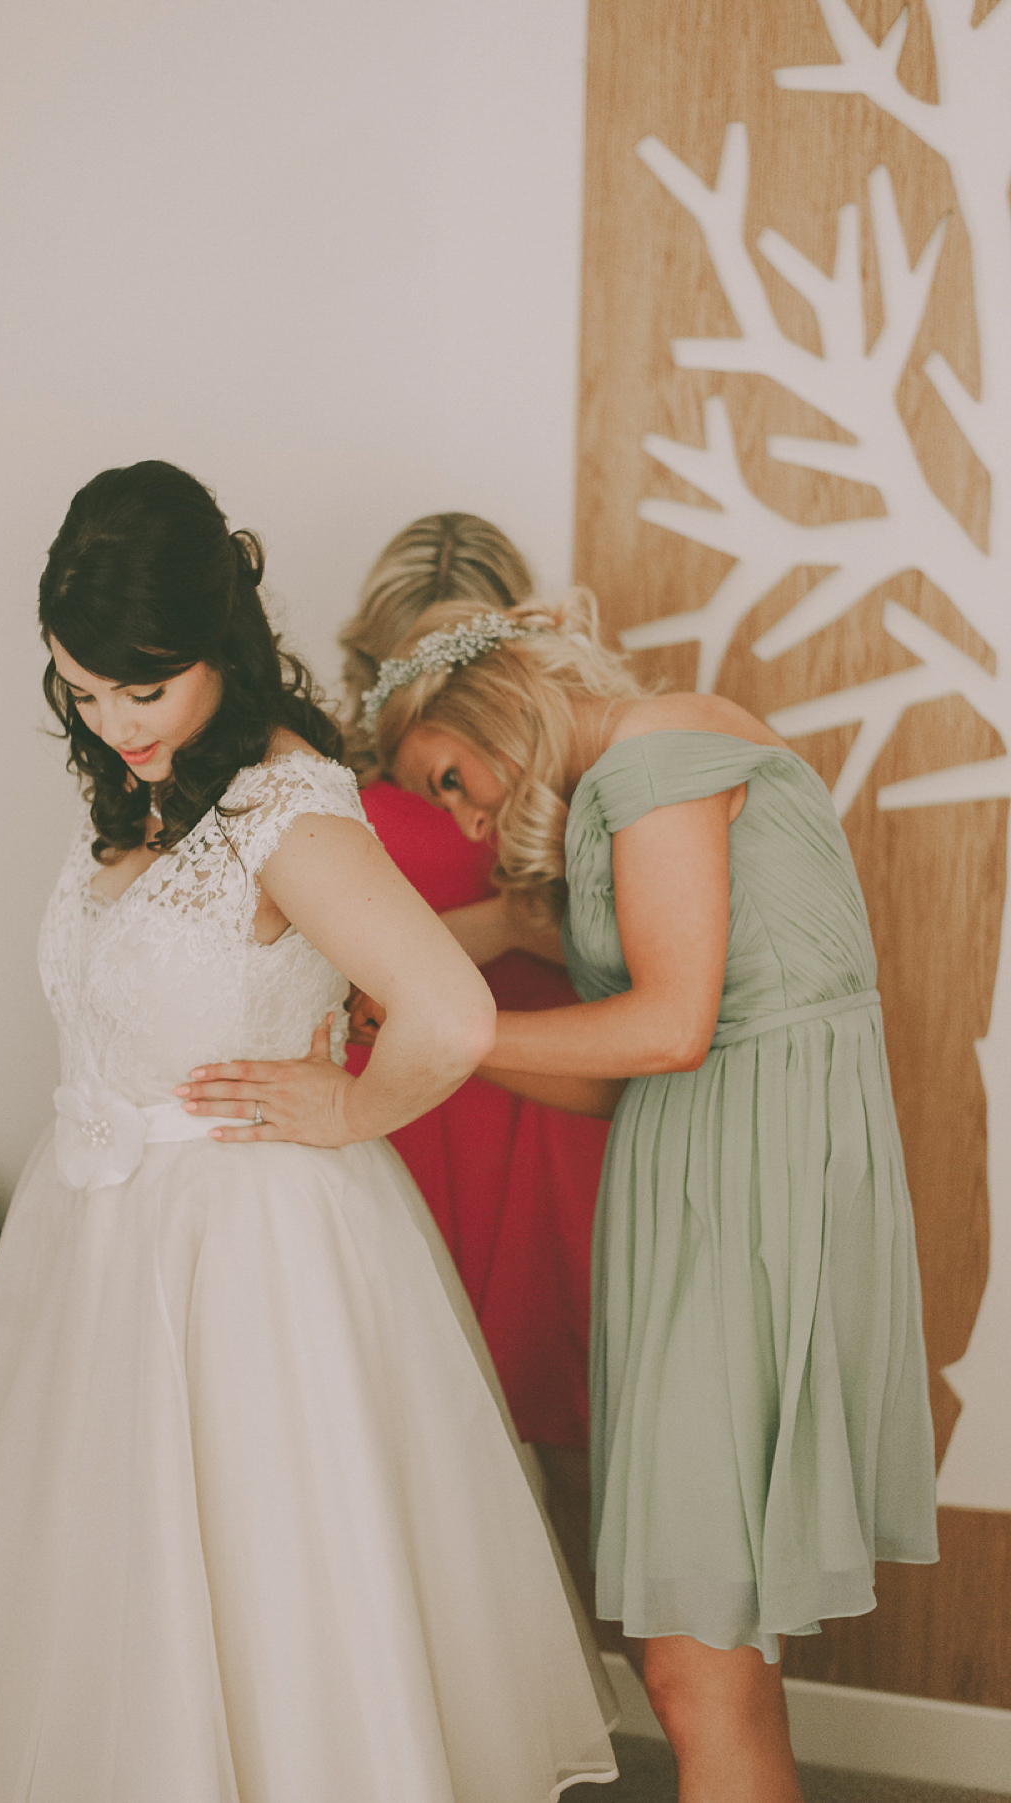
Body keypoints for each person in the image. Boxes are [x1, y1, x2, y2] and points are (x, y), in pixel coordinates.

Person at [0, 463, 617, 1803]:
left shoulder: (285, 808)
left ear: (222, 644)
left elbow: (445, 1011)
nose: (113, 721)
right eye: (83, 691)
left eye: (142, 689)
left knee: (271, 1605)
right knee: (105, 1607)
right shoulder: (145, 786)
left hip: (244, 1251)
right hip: (94, 1241)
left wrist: (351, 1102)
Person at [188, 589, 940, 1803]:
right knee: (709, 1656)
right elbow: (619, 1085)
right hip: (693, 1185)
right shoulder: (610, 802)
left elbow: (673, 1029)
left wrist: (449, 1036)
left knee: (697, 1666)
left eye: (447, 777)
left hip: (749, 1203)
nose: (468, 812)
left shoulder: (660, 751)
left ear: (494, 706)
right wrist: (427, 1042)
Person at [338, 514, 613, 1613]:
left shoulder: (577, 769)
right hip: (416, 1127)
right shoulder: (335, 801)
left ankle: (621, 1716)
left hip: (550, 1114)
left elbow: (620, 948)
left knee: (584, 1442)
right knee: (434, 1458)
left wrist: (505, 927)